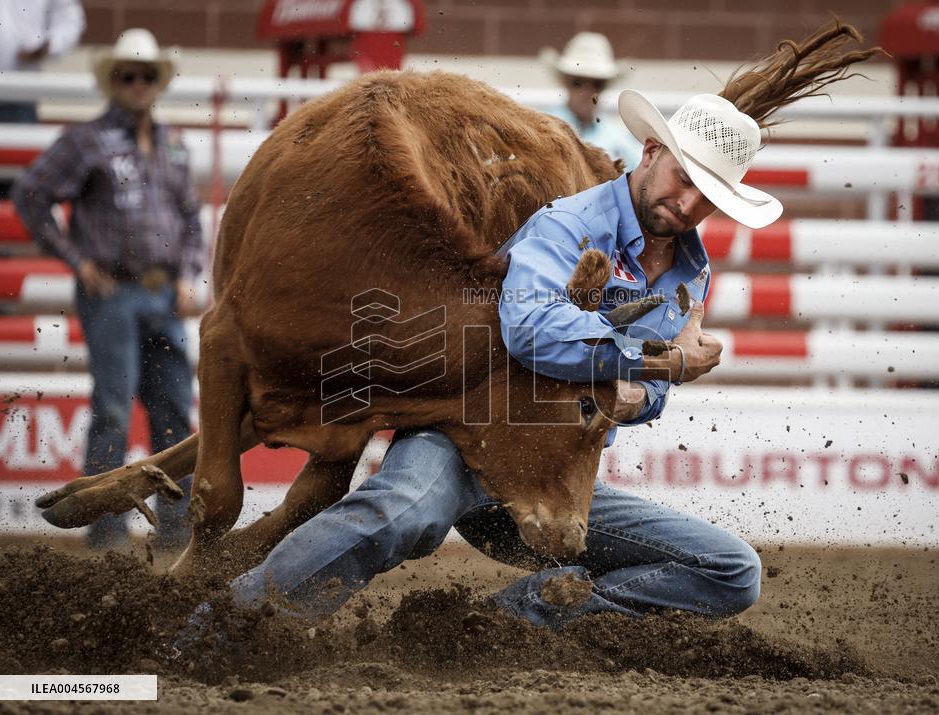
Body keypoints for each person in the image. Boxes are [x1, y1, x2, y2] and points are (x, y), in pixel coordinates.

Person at [174, 21, 878, 642]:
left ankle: (529, 614)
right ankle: (221, 629)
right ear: (651, 150)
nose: (687, 203)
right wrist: (656, 361)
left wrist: (644, 394)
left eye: (708, 196)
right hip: (470, 430)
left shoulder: (686, 275)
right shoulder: (568, 222)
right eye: (682, 179)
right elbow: (531, 328)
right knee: (399, 513)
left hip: (556, 464)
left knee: (732, 570)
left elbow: (636, 393)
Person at [11, 28, 205, 551]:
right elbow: (31, 193)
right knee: (116, 406)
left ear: (155, 82)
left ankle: (177, 529)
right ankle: (106, 528)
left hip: (163, 294)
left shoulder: (172, 143)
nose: (137, 84)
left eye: (145, 76)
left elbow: (189, 216)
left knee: (173, 409)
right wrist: (77, 261)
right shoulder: (85, 141)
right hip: (112, 292)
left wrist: (189, 274)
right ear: (114, 82)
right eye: (127, 76)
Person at [541, 32, 643, 171]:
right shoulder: (542, 129)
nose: (587, 92)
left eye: (596, 84)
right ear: (565, 82)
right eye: (578, 82)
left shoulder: (621, 141)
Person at [0, 0, 85, 123]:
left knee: (22, 140)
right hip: (21, 92)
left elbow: (70, 21)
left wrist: (49, 45)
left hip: (21, 92)